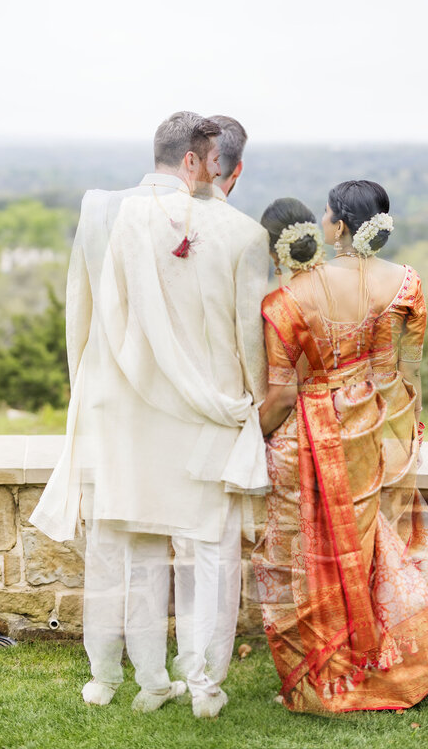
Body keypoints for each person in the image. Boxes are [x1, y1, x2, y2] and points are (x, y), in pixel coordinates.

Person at [29, 112, 270, 719]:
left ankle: (113, 674)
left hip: (117, 403)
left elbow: (78, 316)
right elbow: (248, 341)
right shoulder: (241, 233)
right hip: (204, 410)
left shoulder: (105, 213)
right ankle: (204, 683)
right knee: (210, 548)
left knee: (123, 540)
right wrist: (251, 407)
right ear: (203, 161)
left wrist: (81, 388)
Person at [252, 179, 428, 713]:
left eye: (327, 215)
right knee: (368, 553)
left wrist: (248, 436)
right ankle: (378, 659)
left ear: (341, 226)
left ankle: (329, 673)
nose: (322, 223)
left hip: (309, 436)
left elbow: (280, 392)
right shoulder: (406, 284)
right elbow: (405, 374)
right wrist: (396, 433)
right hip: (373, 431)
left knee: (309, 557)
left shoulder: (289, 296)